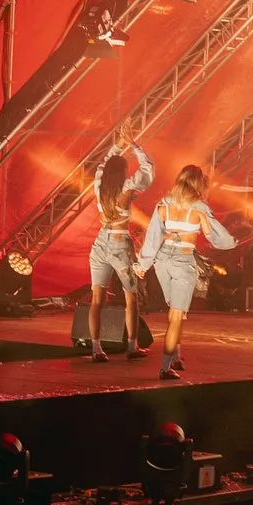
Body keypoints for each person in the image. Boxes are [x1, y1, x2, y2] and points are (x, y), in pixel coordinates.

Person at [139, 164, 235, 384]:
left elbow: (153, 238)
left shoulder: (163, 204)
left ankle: (175, 355)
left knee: (175, 312)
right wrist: (232, 242)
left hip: (163, 261)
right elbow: (216, 237)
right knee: (176, 315)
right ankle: (165, 367)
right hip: (182, 262)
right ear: (198, 184)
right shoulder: (200, 208)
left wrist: (143, 265)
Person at [83, 141, 155, 360]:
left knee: (97, 299)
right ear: (123, 171)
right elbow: (148, 172)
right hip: (119, 243)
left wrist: (117, 146)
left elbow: (102, 166)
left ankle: (96, 349)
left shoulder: (100, 187)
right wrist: (134, 146)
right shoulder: (127, 187)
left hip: (100, 243)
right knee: (131, 297)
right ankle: (132, 346)